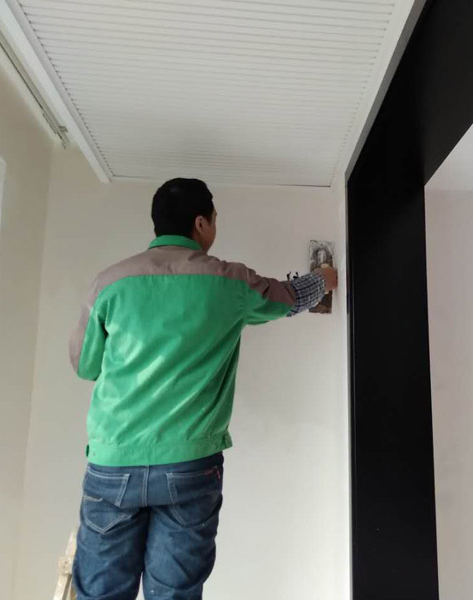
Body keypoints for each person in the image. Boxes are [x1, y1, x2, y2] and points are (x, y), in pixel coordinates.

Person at [68, 178, 337, 600]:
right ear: (200, 223)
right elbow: (288, 298)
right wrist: (324, 278)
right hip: (190, 466)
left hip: (114, 461)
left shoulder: (110, 283)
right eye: (213, 219)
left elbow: (84, 366)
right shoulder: (230, 281)